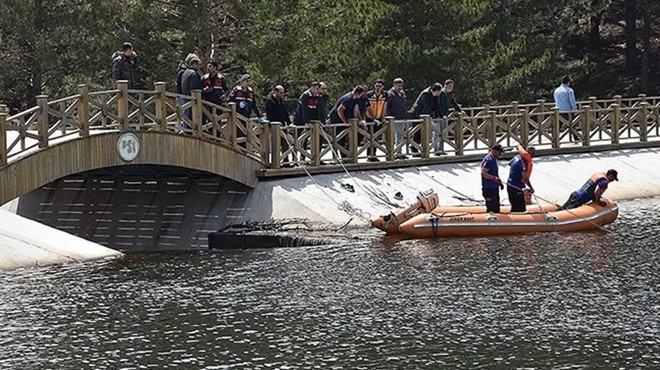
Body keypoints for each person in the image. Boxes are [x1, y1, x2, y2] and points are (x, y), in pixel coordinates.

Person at [409, 83, 443, 155]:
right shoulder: (426, 94)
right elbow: (426, 107)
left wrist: (442, 115)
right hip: (417, 114)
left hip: (424, 116)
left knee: (422, 133)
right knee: (417, 132)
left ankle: (418, 148)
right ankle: (414, 148)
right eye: (438, 93)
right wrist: (431, 116)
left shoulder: (435, 95)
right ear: (435, 90)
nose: (438, 94)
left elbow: (437, 105)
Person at [265, 85, 293, 165]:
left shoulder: (281, 101)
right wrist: (274, 123)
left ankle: (286, 161)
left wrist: (289, 123)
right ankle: (275, 162)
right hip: (274, 127)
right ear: (275, 92)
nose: (282, 95)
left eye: (283, 93)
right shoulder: (270, 101)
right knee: (275, 144)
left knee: (285, 143)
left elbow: (285, 113)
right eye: (280, 93)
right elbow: (269, 115)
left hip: (283, 126)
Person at [436, 79, 462, 155]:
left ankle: (441, 149)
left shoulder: (449, 94)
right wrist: (442, 115)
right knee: (437, 133)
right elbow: (439, 105)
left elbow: (453, 103)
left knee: (444, 133)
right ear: (445, 85)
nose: (451, 88)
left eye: (452, 86)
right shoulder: (442, 93)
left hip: (445, 116)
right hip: (439, 116)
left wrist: (460, 110)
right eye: (449, 86)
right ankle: (436, 149)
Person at [507, 146, 537, 212]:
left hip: (510, 184)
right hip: (516, 187)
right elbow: (525, 178)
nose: (533, 156)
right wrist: (531, 188)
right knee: (520, 208)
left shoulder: (516, 157)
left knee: (514, 206)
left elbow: (509, 163)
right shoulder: (523, 163)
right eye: (533, 154)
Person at [365, 79, 387, 161]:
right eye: (376, 86)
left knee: (376, 137)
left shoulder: (385, 95)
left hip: (379, 119)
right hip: (369, 119)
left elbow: (384, 107)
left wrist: (383, 118)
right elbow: (366, 107)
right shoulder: (369, 95)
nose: (378, 88)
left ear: (383, 87)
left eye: (380, 86)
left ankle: (374, 154)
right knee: (370, 137)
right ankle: (369, 155)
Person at [481, 144, 508, 213]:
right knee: (492, 208)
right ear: (494, 151)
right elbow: (484, 173)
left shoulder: (493, 159)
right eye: (499, 152)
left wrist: (499, 183)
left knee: (496, 207)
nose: (500, 154)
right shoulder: (489, 160)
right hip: (489, 188)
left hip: (494, 187)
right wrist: (493, 178)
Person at [386, 77, 407, 159]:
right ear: (394, 85)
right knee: (393, 136)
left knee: (400, 136)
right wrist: (390, 117)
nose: (400, 87)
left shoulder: (402, 93)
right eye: (398, 85)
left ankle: (399, 152)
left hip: (402, 118)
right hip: (393, 119)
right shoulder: (390, 94)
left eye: (401, 85)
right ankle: (392, 153)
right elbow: (387, 107)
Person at [554, 75, 578, 141]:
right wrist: (575, 109)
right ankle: (576, 138)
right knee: (572, 125)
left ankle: (555, 139)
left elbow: (556, 100)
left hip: (558, 110)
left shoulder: (556, 90)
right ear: (568, 82)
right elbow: (572, 101)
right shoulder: (569, 90)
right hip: (568, 111)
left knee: (558, 126)